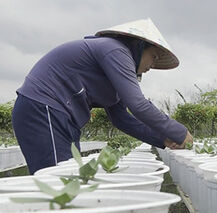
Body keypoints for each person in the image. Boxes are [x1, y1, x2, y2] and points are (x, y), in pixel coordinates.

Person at [12, 18, 193, 174]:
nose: (153, 65)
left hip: (59, 115)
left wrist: (162, 139)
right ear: (139, 46)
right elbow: (138, 105)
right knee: (59, 181)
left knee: (68, 179)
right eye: (153, 56)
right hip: (44, 110)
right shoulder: (115, 50)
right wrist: (179, 132)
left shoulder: (113, 67)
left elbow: (122, 119)